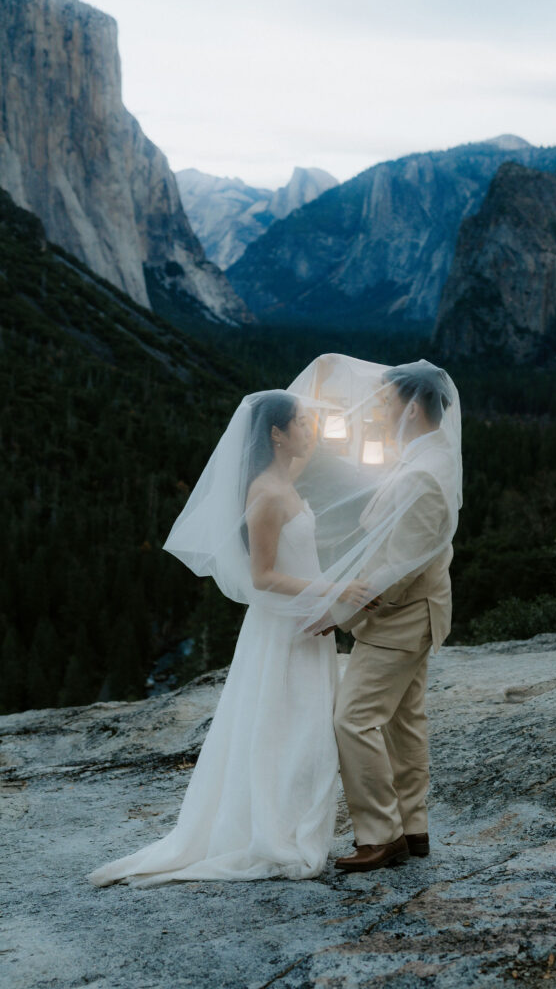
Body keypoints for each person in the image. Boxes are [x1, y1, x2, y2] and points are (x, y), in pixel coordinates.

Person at [86, 391, 374, 887]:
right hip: (282, 627)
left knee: (304, 726)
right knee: (289, 728)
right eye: (302, 422)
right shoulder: (265, 493)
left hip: (305, 621)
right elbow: (262, 577)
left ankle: (288, 820)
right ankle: (273, 830)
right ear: (276, 435)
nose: (312, 430)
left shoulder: (284, 480)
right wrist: (336, 587)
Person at [325, 361, 459, 873]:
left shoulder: (423, 473)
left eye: (383, 402)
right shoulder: (429, 458)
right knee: (405, 722)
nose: (377, 410)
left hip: (402, 618)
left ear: (410, 406)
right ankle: (414, 826)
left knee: (353, 719)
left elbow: (398, 568)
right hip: (418, 613)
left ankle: (380, 835)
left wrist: (335, 612)